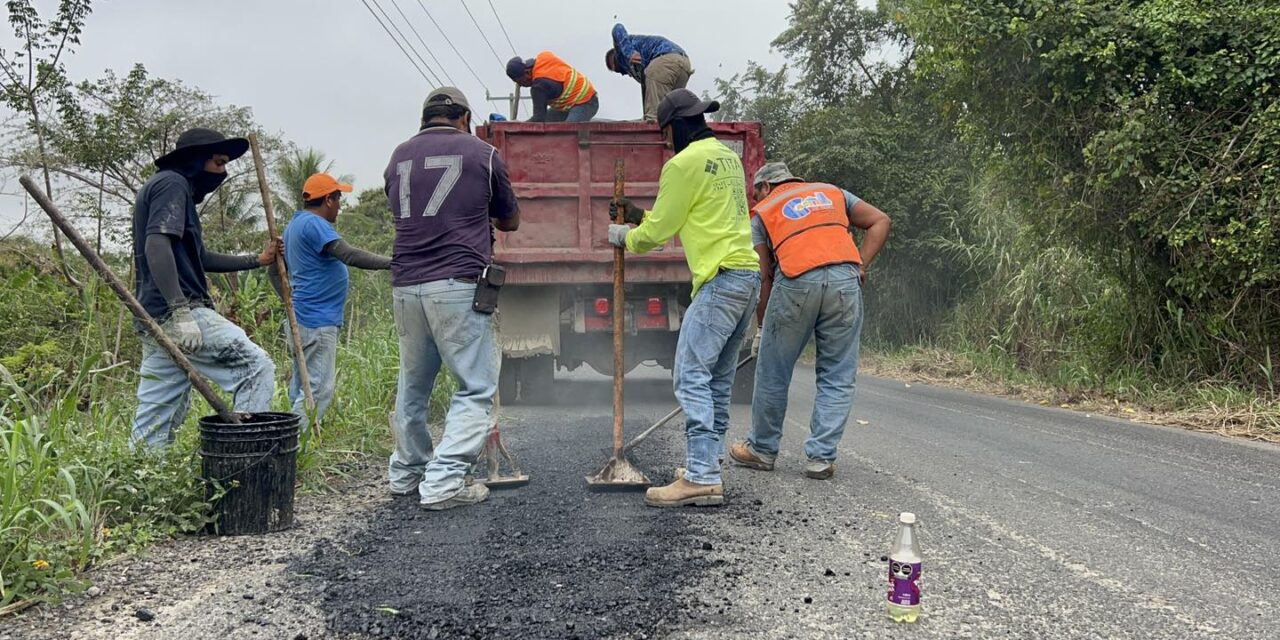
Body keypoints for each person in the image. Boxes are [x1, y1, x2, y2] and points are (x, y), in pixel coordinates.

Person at [608, 89, 760, 507]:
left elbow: (656, 236)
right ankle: (705, 467)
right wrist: (641, 215)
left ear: (673, 128)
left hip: (720, 280)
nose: (665, 142)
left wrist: (625, 235)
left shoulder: (681, 164)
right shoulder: (726, 158)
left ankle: (701, 476)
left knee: (690, 375)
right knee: (717, 381)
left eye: (664, 134)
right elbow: (678, 214)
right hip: (747, 277)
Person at [385, 87, 520, 510]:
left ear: (425, 117)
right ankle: (443, 482)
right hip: (458, 284)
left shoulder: (398, 156)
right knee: (476, 387)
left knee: (413, 385)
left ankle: (408, 473)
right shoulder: (482, 153)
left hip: (406, 284)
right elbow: (510, 219)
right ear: (463, 117)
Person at [729, 162, 892, 479]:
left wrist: (763, 328)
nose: (755, 198)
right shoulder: (833, 193)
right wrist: (860, 265)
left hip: (796, 282)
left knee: (773, 369)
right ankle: (820, 458)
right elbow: (880, 221)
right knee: (838, 373)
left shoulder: (764, 211)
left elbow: (764, 276)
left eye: (755, 192)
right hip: (845, 282)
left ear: (765, 187)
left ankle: (762, 450)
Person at [130, 128, 281, 450]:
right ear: (196, 160)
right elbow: (156, 243)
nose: (223, 171)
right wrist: (180, 309)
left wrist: (257, 259)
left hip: (154, 317)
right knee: (255, 367)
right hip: (176, 312)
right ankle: (245, 462)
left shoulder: (168, 188)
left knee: (157, 416)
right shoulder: (172, 183)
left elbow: (199, 258)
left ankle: (139, 487)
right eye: (218, 162)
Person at [280, 173, 391, 426]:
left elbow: (279, 273)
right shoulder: (314, 224)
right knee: (317, 391)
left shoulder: (294, 225)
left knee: (302, 388)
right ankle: (293, 446)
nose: (340, 205)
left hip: (303, 316)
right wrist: (391, 264)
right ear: (328, 199)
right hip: (316, 321)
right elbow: (348, 254)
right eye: (339, 198)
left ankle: (292, 442)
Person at [606, 23, 692, 123]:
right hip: (683, 65)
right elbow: (648, 92)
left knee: (654, 118)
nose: (620, 72)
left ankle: (653, 127)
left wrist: (629, 53)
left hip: (665, 59)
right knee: (671, 113)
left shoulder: (623, 50)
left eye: (615, 67)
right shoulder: (641, 68)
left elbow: (617, 28)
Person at [505, 52, 599, 123]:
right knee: (549, 125)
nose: (521, 85)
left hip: (585, 103)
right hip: (572, 103)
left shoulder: (539, 87)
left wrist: (519, 125)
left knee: (568, 134)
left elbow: (538, 119)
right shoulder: (544, 56)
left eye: (519, 82)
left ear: (527, 74)